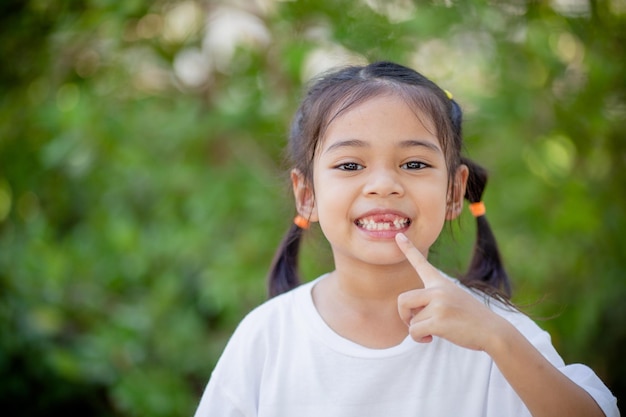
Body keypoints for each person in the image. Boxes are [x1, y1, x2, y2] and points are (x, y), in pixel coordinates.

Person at [194, 61, 619, 417]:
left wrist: (497, 339)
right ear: (307, 196)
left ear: (454, 192)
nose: (383, 185)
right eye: (349, 165)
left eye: (414, 163)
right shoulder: (268, 337)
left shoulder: (495, 333)